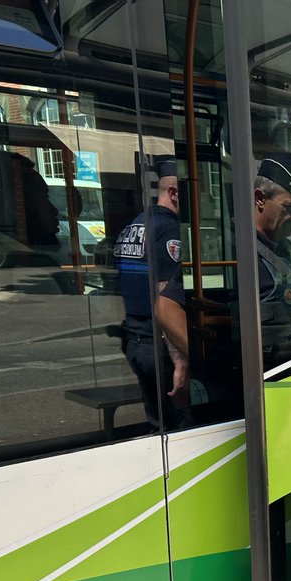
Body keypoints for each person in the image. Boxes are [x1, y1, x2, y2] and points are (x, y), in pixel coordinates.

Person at [112, 157, 191, 430]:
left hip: (133, 341)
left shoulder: (133, 226)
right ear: (174, 193)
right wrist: (179, 360)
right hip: (156, 346)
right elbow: (163, 298)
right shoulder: (169, 228)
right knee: (180, 430)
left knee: (158, 423)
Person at [254, 153, 291, 364]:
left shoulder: (286, 249)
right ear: (260, 199)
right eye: (289, 208)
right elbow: (167, 306)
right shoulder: (237, 253)